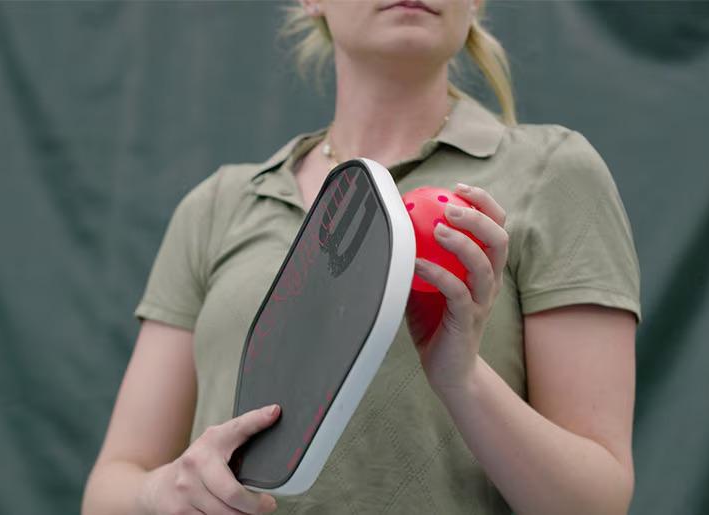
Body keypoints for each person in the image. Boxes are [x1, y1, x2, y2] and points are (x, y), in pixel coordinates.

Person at [82, 0, 641, 513]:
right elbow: (111, 484)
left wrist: (463, 379)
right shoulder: (218, 206)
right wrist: (160, 492)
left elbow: (596, 504)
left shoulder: (554, 173)